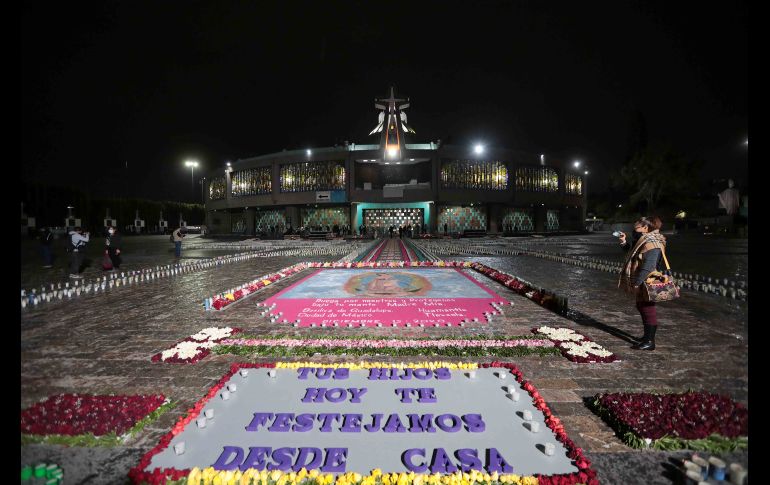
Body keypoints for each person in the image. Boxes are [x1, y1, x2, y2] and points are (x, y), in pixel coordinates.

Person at [618, 216, 666, 350]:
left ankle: (650, 341)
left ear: (645, 228)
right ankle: (646, 337)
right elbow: (632, 253)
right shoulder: (644, 240)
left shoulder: (653, 243)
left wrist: (638, 283)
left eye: (636, 228)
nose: (634, 230)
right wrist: (623, 242)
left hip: (647, 279)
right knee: (642, 306)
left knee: (647, 307)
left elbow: (649, 266)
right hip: (642, 278)